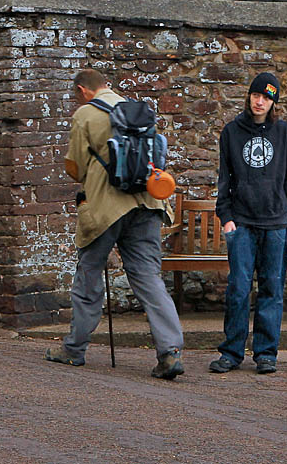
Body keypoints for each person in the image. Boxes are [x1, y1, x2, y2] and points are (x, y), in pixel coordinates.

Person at [44, 68, 184, 379]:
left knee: (89, 277)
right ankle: (170, 352)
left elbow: (76, 169)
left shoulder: (85, 114)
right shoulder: (138, 110)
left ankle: (73, 350)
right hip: (149, 202)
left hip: (106, 209)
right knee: (149, 279)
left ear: (83, 90)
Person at [209, 72, 287, 375]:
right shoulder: (231, 132)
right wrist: (225, 217)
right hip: (241, 224)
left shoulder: (285, 133)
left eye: (266, 97)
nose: (260, 101)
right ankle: (232, 352)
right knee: (238, 289)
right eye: (255, 95)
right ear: (249, 97)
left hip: (276, 223)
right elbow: (224, 179)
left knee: (272, 289)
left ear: (274, 101)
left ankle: (266, 353)